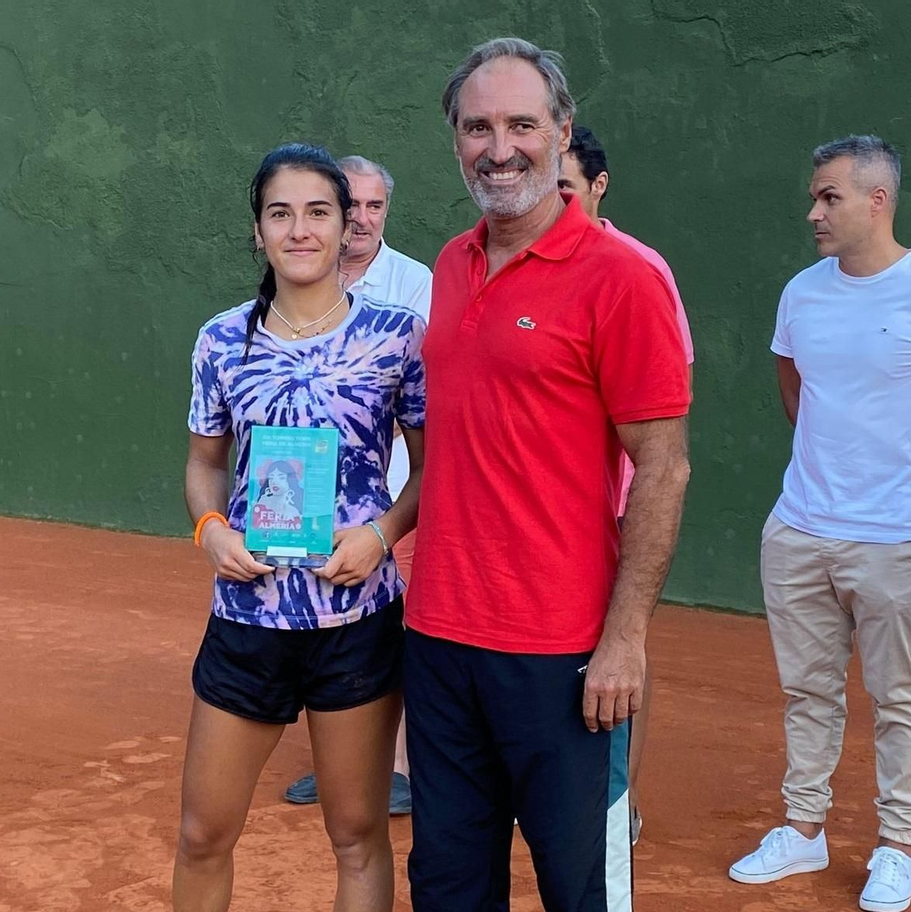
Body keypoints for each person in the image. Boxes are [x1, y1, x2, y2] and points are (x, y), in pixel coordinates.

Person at [405, 37, 691, 912]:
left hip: (563, 652)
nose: (500, 149)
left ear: (562, 132)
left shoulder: (624, 278)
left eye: (522, 125)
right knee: (449, 886)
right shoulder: (450, 265)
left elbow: (663, 468)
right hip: (440, 638)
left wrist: (625, 639)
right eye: (477, 127)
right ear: (456, 139)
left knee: (581, 890)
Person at [728, 135, 911, 912]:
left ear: (877, 202)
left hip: (894, 537)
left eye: (829, 197)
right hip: (799, 529)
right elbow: (796, 392)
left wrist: (908, 476)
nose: (814, 211)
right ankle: (804, 828)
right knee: (807, 691)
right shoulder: (802, 293)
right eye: (814, 196)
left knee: (896, 694)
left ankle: (896, 846)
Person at [174, 141, 427, 912]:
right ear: (258, 231)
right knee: (202, 834)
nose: (300, 229)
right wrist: (211, 530)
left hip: (357, 620)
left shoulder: (399, 335)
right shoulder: (223, 340)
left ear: (347, 226)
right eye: (280, 213)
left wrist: (381, 535)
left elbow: (434, 468)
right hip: (247, 618)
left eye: (318, 212)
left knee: (357, 834)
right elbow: (204, 463)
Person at [557, 122, 695, 846]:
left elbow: (663, 412)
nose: (552, 202)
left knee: (620, 651)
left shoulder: (638, 270)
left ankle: (622, 802)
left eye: (566, 188)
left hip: (613, 514)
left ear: (598, 187)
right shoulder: (501, 261)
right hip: (549, 520)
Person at [284, 153, 433, 814]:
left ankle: (395, 766)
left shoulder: (415, 284)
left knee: (390, 625)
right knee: (324, 620)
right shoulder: (300, 275)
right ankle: (340, 761)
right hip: (307, 491)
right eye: (355, 206)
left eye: (377, 206)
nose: (365, 219)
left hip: (394, 495)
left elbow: (418, 398)